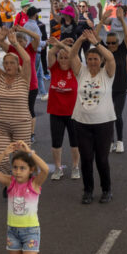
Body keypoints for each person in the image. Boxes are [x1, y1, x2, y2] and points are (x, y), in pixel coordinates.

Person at [69, 29, 117, 204]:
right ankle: (88, 191)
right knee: (87, 159)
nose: (92, 62)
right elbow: (72, 54)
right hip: (82, 123)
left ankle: (106, 189)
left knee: (102, 159)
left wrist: (96, 43)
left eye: (95, 59)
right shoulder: (81, 72)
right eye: (89, 59)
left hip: (103, 123)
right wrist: (81, 39)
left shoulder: (107, 73)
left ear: (100, 60)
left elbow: (110, 58)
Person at [0, 28, 33, 189]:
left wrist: (15, 44)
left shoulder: (23, 78)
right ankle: (10, 183)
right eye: (5, 63)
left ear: (17, 64)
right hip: (1, 125)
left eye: (12, 62)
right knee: (2, 158)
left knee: (22, 157)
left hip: (21, 123)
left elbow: (27, 60)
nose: (8, 65)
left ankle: (24, 185)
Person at [46, 37, 80, 181]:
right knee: (56, 143)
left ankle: (75, 167)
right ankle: (58, 168)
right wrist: (61, 45)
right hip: (56, 112)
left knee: (75, 143)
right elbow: (50, 53)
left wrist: (62, 46)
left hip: (73, 113)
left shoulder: (76, 70)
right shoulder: (54, 68)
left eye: (67, 57)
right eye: (61, 57)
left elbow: (74, 54)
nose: (64, 60)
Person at [103, 11, 127, 154]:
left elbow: (126, 35)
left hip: (120, 88)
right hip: (106, 89)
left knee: (117, 114)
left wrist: (121, 19)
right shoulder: (103, 51)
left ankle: (119, 141)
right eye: (108, 43)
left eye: (113, 43)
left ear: (117, 43)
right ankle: (109, 141)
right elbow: (95, 38)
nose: (111, 45)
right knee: (107, 115)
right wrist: (102, 20)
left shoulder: (121, 50)